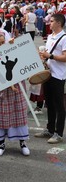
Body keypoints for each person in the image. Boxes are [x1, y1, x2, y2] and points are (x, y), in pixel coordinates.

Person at [35, 13, 66, 144]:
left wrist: (51, 56)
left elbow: (65, 57)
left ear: (59, 23)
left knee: (59, 105)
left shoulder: (64, 37)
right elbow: (49, 54)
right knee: (50, 104)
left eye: (52, 21)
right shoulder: (50, 36)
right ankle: (50, 129)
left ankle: (58, 133)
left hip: (58, 76)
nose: (49, 23)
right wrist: (43, 56)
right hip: (48, 73)